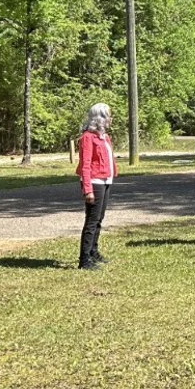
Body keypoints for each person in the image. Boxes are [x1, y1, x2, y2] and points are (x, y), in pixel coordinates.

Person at [75, 102, 118, 270]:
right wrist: (88, 190)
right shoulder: (87, 137)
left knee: (99, 219)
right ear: (99, 118)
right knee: (92, 221)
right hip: (95, 182)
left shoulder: (104, 136)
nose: (111, 119)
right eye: (108, 115)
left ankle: (94, 251)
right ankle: (84, 259)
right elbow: (85, 164)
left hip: (106, 180)